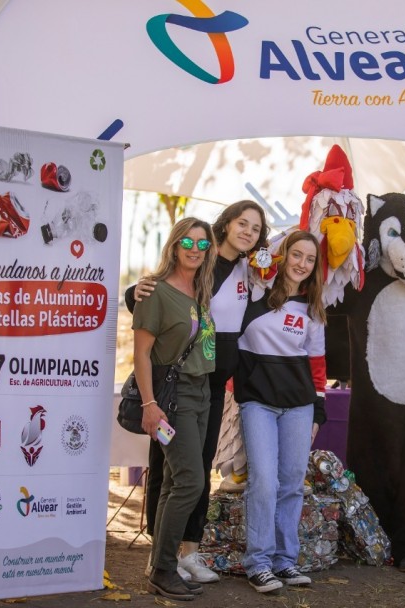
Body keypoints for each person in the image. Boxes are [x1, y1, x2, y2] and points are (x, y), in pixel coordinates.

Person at [128, 201, 269, 584]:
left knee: (199, 468)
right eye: (242, 223)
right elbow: (158, 296)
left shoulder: (251, 271)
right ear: (225, 225)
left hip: (213, 384)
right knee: (166, 468)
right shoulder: (202, 262)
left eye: (255, 229)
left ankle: (189, 551)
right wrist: (132, 289)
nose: (247, 232)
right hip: (176, 382)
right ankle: (160, 554)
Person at [234, 230, 327, 593]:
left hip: (299, 407)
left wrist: (319, 412)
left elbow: (317, 367)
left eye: (310, 259)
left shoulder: (314, 308)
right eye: (296, 255)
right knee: (264, 483)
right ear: (283, 255)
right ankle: (258, 563)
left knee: (291, 485)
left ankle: (285, 562)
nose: (302, 264)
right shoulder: (256, 292)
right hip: (257, 402)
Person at [132, 217, 217, 601]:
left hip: (202, 394)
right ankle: (165, 569)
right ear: (175, 244)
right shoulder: (155, 291)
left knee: (172, 481)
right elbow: (141, 354)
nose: (195, 249)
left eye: (202, 244)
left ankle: (159, 567)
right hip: (174, 397)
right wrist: (150, 406)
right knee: (191, 481)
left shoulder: (200, 288)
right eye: (188, 241)